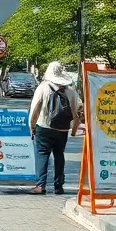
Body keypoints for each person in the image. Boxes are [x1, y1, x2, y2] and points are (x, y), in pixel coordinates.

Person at [27, 61, 82, 195]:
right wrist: (74, 130)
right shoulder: (70, 91)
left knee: (42, 154)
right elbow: (77, 112)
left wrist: (32, 126)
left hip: (44, 126)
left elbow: (35, 109)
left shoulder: (43, 88)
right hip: (62, 129)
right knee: (59, 155)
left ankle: (40, 185)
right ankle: (58, 186)